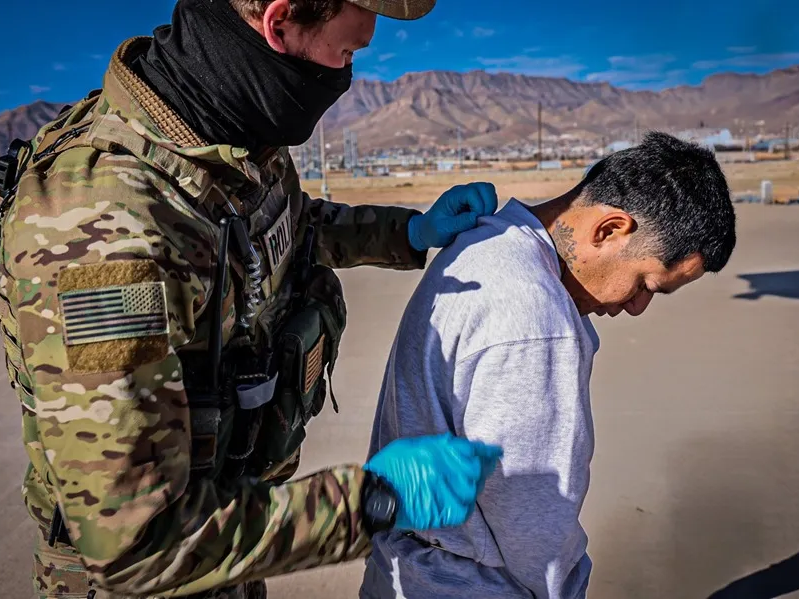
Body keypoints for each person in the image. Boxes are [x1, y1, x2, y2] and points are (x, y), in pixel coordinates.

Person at [0, 0, 503, 597]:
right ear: (279, 23)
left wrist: (410, 232)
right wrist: (372, 502)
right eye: (347, 52)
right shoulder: (107, 235)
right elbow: (136, 547)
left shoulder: (226, 126)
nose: (347, 77)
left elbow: (288, 224)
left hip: (233, 546)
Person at [360, 131, 738, 599]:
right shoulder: (536, 317)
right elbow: (531, 516)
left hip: (403, 571)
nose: (637, 307)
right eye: (646, 284)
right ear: (609, 229)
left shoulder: (484, 241)